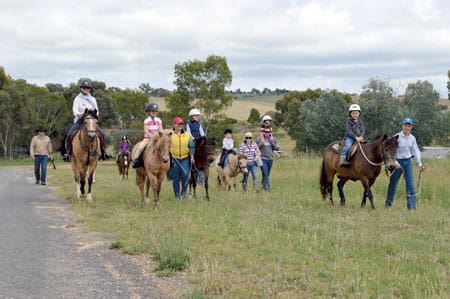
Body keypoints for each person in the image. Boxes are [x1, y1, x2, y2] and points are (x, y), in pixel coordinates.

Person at [63, 78, 109, 162]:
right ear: (81, 88)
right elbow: (75, 111)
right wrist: (81, 115)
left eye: (88, 88)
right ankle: (68, 153)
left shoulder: (93, 99)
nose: (86, 89)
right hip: (80, 121)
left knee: (101, 134)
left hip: (91, 121)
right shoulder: (78, 99)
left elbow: (97, 110)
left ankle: (104, 153)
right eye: (84, 88)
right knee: (69, 134)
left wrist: (94, 116)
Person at [385, 118, 425, 210]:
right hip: (397, 162)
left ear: (411, 127)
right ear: (402, 126)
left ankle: (411, 207)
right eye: (405, 125)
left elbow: (415, 151)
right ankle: (388, 205)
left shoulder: (412, 138)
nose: (407, 127)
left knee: (410, 184)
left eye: (409, 126)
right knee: (393, 184)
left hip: (407, 162)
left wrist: (419, 163)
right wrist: (394, 162)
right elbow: (390, 151)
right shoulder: (396, 137)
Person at [169, 117, 195, 199]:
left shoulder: (187, 135)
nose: (180, 125)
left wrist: (191, 156)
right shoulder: (170, 134)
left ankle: (184, 193)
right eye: (178, 124)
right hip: (174, 158)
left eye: (181, 124)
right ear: (174, 124)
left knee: (185, 175)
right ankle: (177, 196)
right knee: (176, 177)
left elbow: (191, 146)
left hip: (184, 158)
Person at [132, 103, 163, 168]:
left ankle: (170, 161)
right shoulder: (146, 120)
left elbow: (160, 129)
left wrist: (161, 136)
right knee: (140, 147)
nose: (154, 112)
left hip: (157, 139)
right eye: (152, 111)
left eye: (155, 111)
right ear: (149, 112)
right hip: (148, 138)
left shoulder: (159, 120)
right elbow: (146, 130)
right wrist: (152, 136)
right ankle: (136, 160)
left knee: (165, 147)